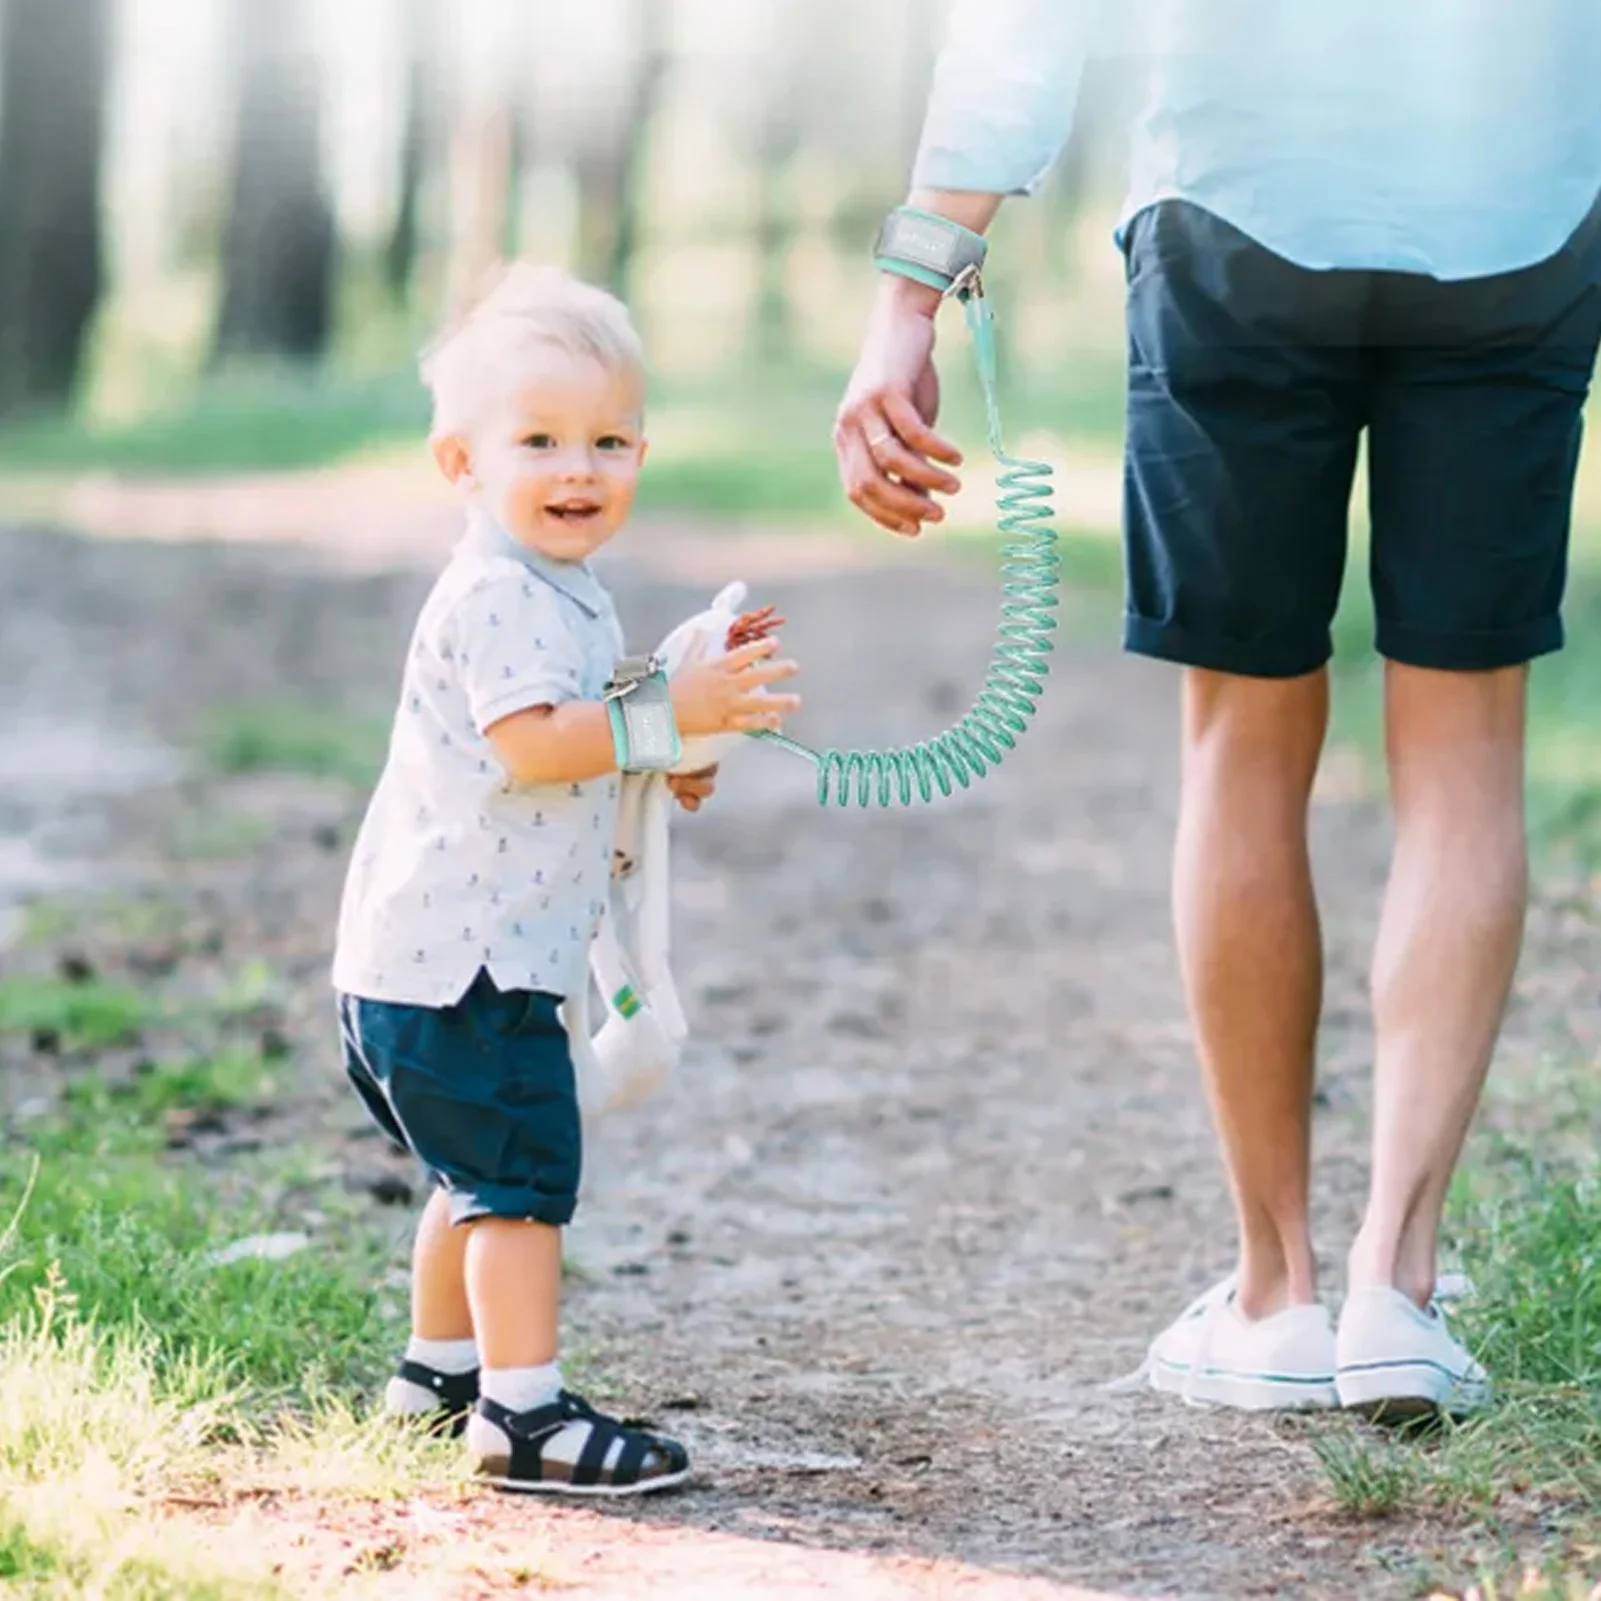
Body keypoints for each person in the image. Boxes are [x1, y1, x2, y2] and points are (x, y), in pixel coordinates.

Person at [836, 0, 1601, 1416]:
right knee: (1467, 745)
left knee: (1244, 742)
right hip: (1515, 220)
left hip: (1238, 213)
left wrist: (913, 286)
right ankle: (1397, 1283)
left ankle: (1277, 1290)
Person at [331, 263, 801, 1491]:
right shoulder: (500, 596)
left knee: (470, 1176)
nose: (577, 469)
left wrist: (668, 743)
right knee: (522, 1189)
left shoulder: (554, 588)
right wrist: (650, 723)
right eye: (537, 439)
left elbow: (581, 736)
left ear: (643, 449)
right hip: (468, 967)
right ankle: (522, 1412)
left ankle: (437, 1375)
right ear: (461, 463)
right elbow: (536, 742)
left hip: (421, 964)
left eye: (607, 440)